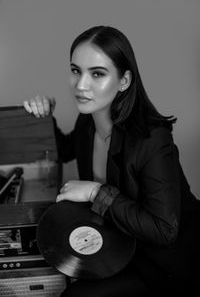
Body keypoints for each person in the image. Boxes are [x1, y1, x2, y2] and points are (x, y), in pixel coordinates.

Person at [23, 26, 200, 296]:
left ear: (124, 81)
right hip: (118, 248)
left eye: (97, 74)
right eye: (75, 70)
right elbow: (62, 151)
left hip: (168, 263)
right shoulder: (87, 121)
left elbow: (164, 230)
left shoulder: (152, 139)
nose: (81, 85)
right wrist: (44, 117)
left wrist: (96, 192)